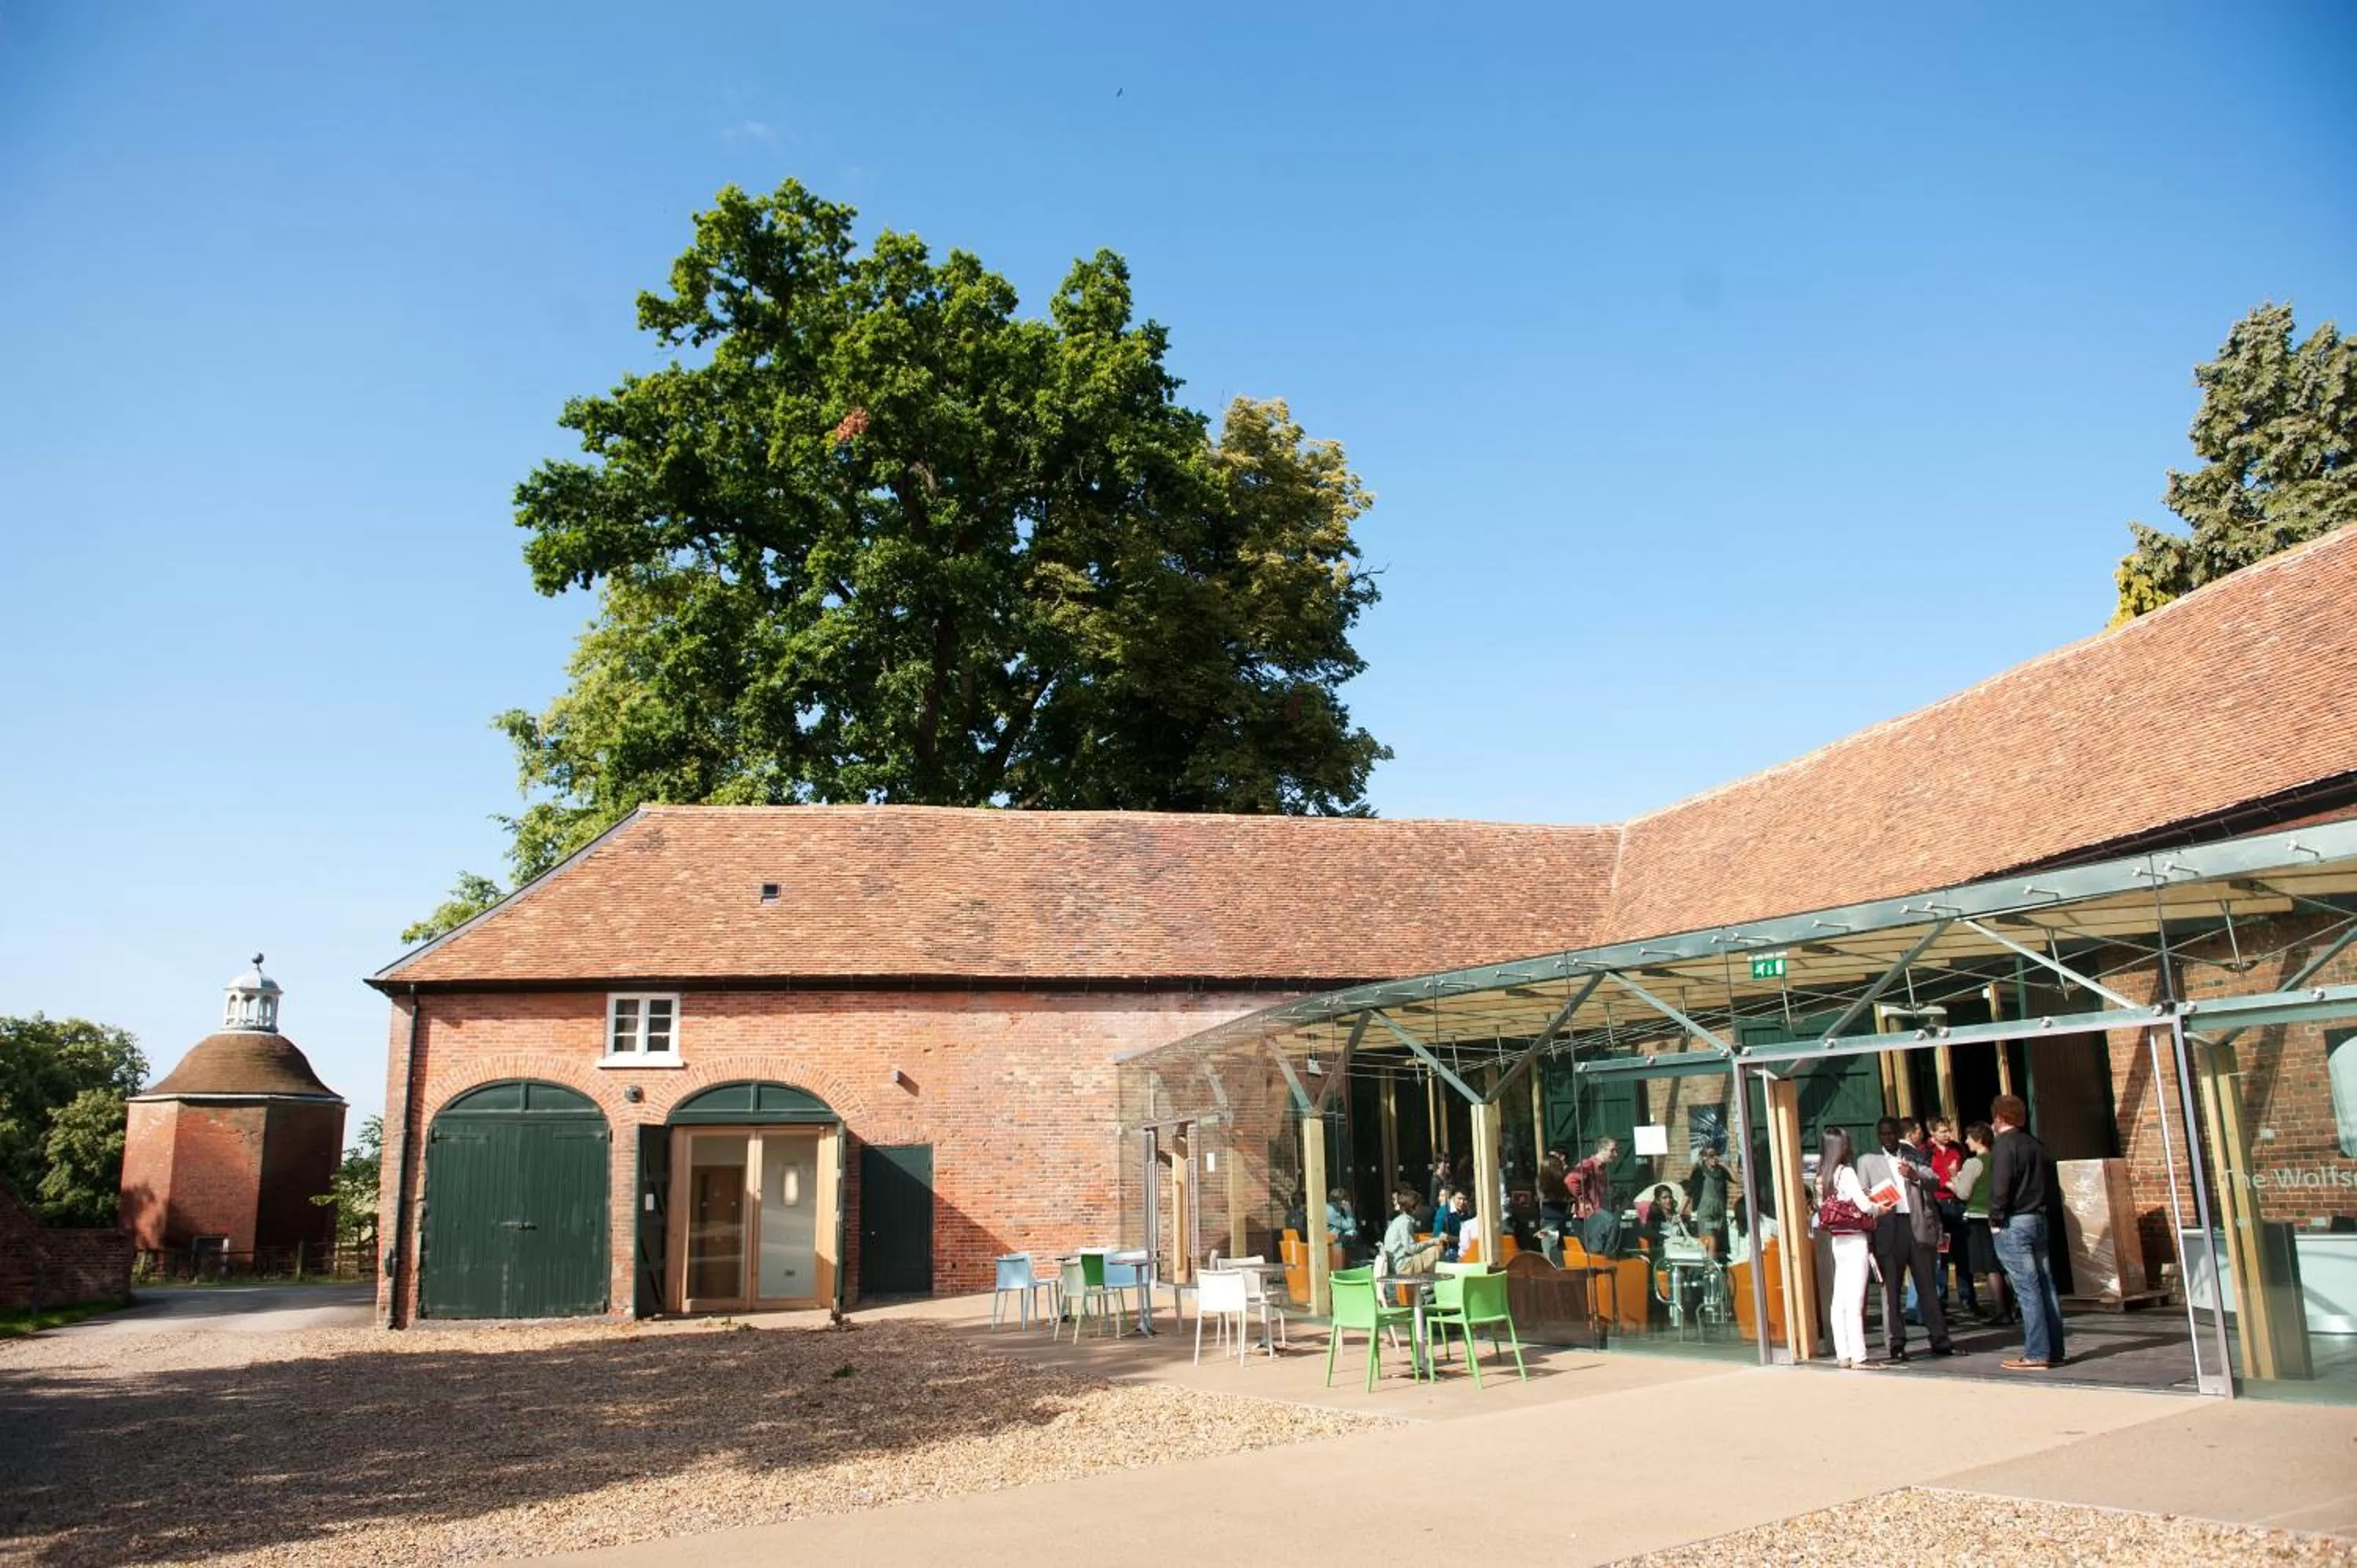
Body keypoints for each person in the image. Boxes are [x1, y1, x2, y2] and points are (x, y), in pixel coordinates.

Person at [1857, 1116, 1955, 1361]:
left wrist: (1914, 1174)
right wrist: (1871, 1198)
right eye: (1883, 1134)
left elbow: (1934, 1181)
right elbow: (1862, 1196)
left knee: (1927, 1287)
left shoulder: (1913, 1154)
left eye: (1891, 1134)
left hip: (1917, 1224)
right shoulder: (1868, 1161)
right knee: (1890, 1290)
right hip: (1888, 1227)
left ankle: (1939, 1338)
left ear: (1898, 1134)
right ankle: (1896, 1342)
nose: (1887, 1138)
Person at [1988, 1094, 2066, 1370]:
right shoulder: (2036, 1145)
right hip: (2039, 1218)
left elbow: (2001, 1187)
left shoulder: (2004, 1147)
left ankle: (2036, 1353)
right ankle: (2054, 1349)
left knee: (2027, 1289)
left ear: (1998, 1118)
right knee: (2046, 1286)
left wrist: (1995, 1220)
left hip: (2015, 1221)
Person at [1816, 1127, 1888, 1369]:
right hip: (1856, 1239)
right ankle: (1860, 1356)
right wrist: (1881, 1208)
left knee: (1840, 1299)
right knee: (1856, 1300)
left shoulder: (1822, 1176)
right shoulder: (1845, 1172)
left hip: (1838, 1240)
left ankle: (1843, 1353)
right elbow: (1865, 1206)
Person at [1955, 1121, 2011, 1326]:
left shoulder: (1973, 1163)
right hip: (1999, 1216)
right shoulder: (1999, 1159)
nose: (1966, 1141)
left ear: (1978, 1140)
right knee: (2003, 1263)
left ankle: (2001, 1310)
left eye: (1969, 1137)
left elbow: (1963, 1193)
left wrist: (1953, 1177)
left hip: (1978, 1217)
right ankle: (2012, 1307)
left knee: (1990, 1266)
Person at [1924, 1117, 1978, 1316]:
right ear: (1932, 1133)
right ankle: (1941, 1303)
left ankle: (1968, 1300)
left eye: (1948, 1131)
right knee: (1941, 1256)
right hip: (1939, 1206)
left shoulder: (1957, 1149)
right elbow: (1929, 1177)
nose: (1947, 1135)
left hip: (1957, 1204)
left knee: (1964, 1255)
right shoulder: (1927, 1152)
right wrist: (1947, 1182)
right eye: (1942, 1131)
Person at [1570, 1135, 1622, 1258]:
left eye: (1617, 1150)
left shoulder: (1602, 1168)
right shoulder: (1588, 1164)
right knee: (1612, 1222)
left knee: (1615, 1223)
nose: (1616, 1154)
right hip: (1591, 1215)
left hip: (1598, 1213)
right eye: (1612, 1150)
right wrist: (1584, 1200)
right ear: (1602, 1150)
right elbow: (1570, 1180)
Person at [1682, 1142, 1736, 1258]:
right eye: (1711, 1155)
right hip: (1706, 1211)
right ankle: (1711, 1266)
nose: (1715, 1158)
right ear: (1704, 1157)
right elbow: (1689, 1192)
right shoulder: (1699, 1172)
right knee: (1710, 1238)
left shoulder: (1721, 1171)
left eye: (1717, 1155)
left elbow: (1736, 1180)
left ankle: (1719, 1265)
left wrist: (1727, 1166)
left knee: (1719, 1239)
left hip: (1719, 1212)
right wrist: (1682, 1210)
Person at [1380, 1189, 1439, 1276]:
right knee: (1437, 1250)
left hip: (1395, 1264)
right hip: (1402, 1266)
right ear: (1413, 1208)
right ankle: (1433, 1283)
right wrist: (1432, 1241)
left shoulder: (1398, 1220)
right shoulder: (1406, 1222)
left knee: (1428, 1252)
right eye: (1420, 1206)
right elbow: (1410, 1249)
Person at [1537, 1148, 1573, 1266]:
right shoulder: (1561, 1182)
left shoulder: (1540, 1182)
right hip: (1560, 1219)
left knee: (1550, 1255)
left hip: (1549, 1219)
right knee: (1560, 1254)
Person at [1436, 1188, 1472, 1262]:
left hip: (1466, 1249)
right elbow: (1438, 1235)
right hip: (1450, 1250)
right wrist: (1460, 1240)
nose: (1462, 1202)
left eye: (1465, 1199)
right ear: (1452, 1198)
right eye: (1459, 1199)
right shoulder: (1443, 1211)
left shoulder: (1468, 1214)